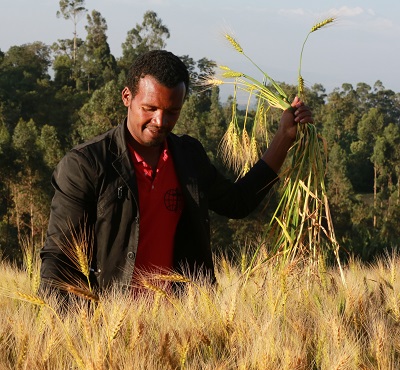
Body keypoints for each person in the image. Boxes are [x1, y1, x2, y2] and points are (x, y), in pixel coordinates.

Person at [39, 49, 313, 295]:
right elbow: (59, 258)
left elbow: (237, 202)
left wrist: (284, 138)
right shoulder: (86, 165)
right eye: (150, 108)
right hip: (111, 331)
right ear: (127, 97)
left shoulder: (188, 157)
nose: (160, 121)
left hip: (181, 327)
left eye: (172, 112)